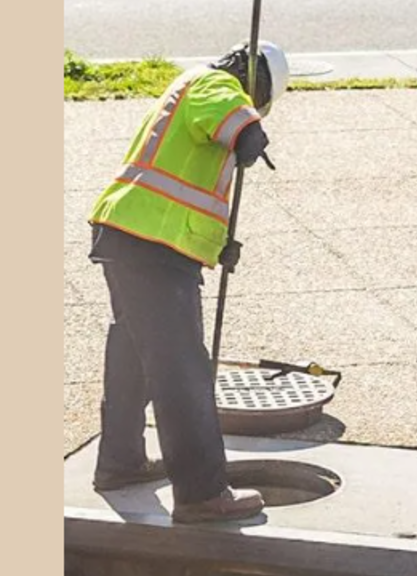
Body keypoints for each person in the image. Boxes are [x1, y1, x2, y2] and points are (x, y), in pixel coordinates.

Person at [87, 41, 290, 524]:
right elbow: (228, 115)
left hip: (132, 234)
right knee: (182, 369)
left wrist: (215, 245)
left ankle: (121, 461)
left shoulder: (188, 87)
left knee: (133, 357)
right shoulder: (213, 83)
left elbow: (183, 183)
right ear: (252, 79)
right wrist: (248, 129)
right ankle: (201, 492)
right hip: (151, 246)